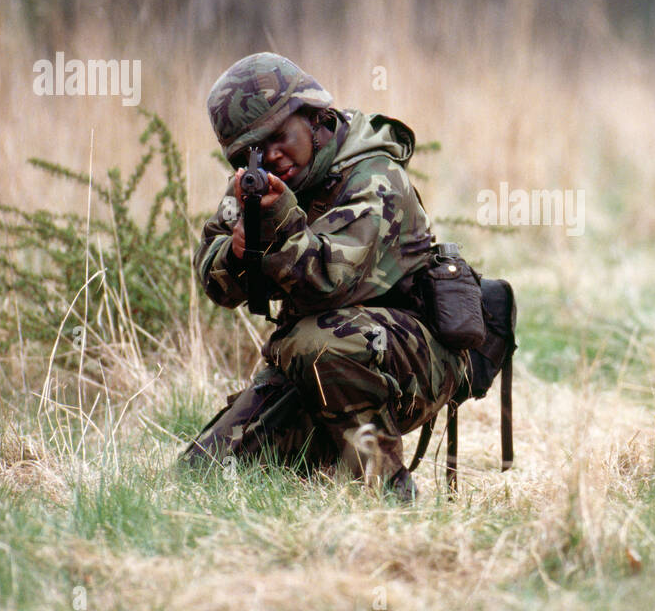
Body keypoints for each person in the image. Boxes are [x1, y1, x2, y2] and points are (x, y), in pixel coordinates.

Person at [180, 52, 468, 501]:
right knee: (202, 475)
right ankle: (328, 457)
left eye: (279, 137)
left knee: (320, 341)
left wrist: (277, 227)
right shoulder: (260, 183)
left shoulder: (375, 176)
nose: (272, 156)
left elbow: (329, 283)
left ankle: (385, 490)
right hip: (316, 365)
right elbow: (213, 280)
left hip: (413, 362)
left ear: (314, 116)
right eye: (251, 151)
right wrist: (238, 252)